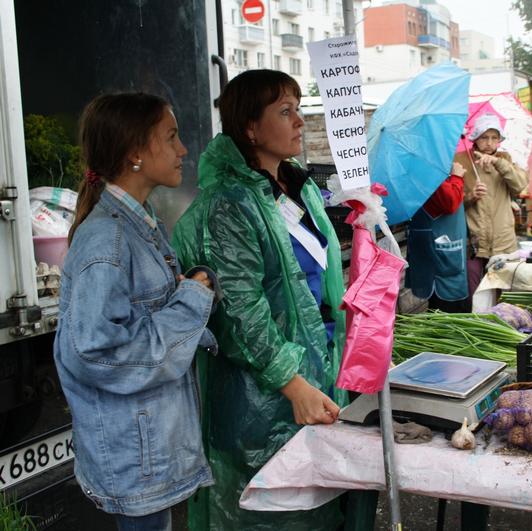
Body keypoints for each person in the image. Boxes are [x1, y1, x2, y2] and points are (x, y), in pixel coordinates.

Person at [171, 70, 348, 530]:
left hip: (320, 377)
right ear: (250, 127)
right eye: (284, 111)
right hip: (266, 398)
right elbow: (241, 311)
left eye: (299, 108)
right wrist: (293, 385)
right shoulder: (230, 204)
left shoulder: (300, 188)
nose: (298, 120)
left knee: (322, 510)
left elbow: (324, 285)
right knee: (273, 516)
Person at [53, 93, 217, 531]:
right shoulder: (107, 240)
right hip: (136, 454)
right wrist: (191, 301)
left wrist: (189, 292)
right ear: (135, 154)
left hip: (146, 448)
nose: (183, 150)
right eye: (171, 137)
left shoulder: (138, 224)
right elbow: (97, 352)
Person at [455, 114, 528, 298]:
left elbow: (520, 185)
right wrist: (470, 196)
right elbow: (452, 202)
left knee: (503, 292)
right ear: (475, 138)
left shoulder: (505, 158)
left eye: (494, 138)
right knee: (475, 293)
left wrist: (498, 163)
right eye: (484, 137)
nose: (489, 143)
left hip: (502, 239)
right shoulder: (462, 160)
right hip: (474, 240)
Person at [406, 162, 469, 312]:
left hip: (442, 251)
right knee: (447, 314)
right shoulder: (427, 168)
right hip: (439, 257)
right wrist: (456, 176)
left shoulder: (431, 168)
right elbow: (449, 202)